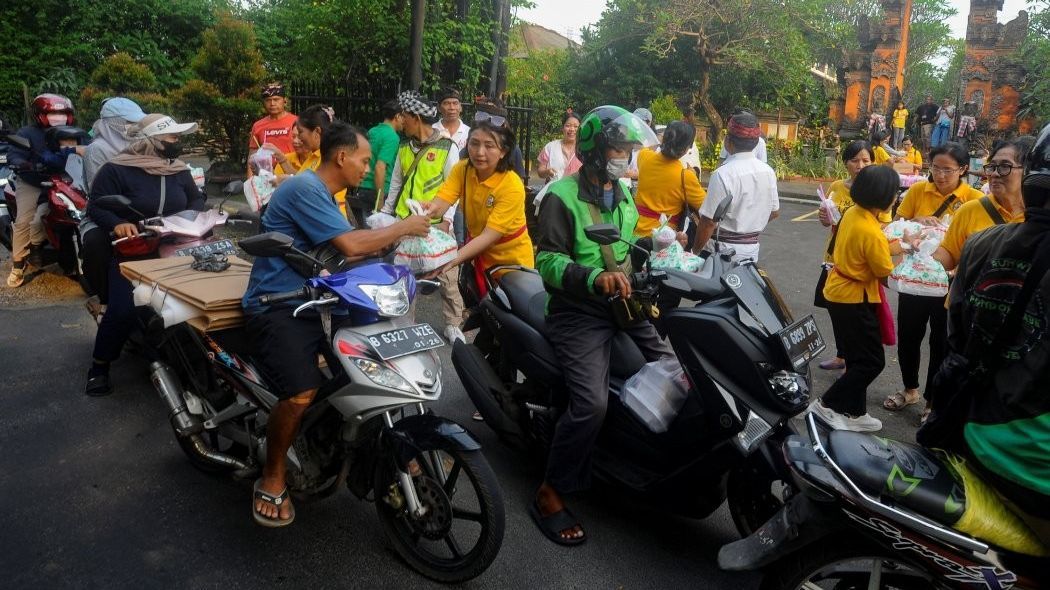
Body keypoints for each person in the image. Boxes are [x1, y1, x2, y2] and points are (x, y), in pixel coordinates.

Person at [242, 121, 430, 527]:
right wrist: (404, 226)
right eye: (364, 160)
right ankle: (273, 476)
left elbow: (345, 255)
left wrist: (397, 246)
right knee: (300, 392)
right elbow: (350, 245)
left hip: (319, 300)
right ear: (341, 156)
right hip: (278, 304)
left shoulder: (330, 196)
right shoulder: (304, 188)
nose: (367, 167)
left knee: (372, 368)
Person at [531, 106, 672, 545]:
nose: (626, 158)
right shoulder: (561, 196)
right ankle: (551, 490)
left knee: (678, 370)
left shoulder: (621, 192)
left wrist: (658, 246)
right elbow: (547, 261)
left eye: (630, 150)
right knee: (592, 403)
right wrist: (595, 278)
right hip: (579, 311)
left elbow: (624, 248)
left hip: (624, 303)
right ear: (593, 149)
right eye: (619, 148)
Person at [929, 122, 1050, 545]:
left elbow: (956, 336)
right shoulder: (972, 222)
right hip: (1033, 464)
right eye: (993, 169)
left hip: (971, 427)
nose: (996, 176)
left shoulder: (982, 245)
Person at [82, 114, 206, 396]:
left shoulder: (178, 169)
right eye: (172, 138)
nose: (177, 143)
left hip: (177, 244)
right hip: (134, 248)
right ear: (151, 141)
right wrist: (117, 223)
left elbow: (196, 198)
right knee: (123, 309)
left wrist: (193, 215)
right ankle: (99, 367)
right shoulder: (117, 169)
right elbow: (97, 207)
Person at [882, 142, 982, 413]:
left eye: (948, 170)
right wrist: (919, 221)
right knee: (909, 335)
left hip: (949, 281)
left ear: (962, 169)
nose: (940, 175)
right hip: (915, 278)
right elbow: (897, 228)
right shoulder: (917, 190)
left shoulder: (974, 199)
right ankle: (910, 389)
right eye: (936, 168)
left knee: (941, 341)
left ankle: (931, 400)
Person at [809, 165, 899, 432]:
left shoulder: (853, 213)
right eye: (895, 192)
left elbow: (874, 250)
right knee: (872, 361)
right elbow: (884, 270)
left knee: (857, 358)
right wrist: (906, 252)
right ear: (885, 196)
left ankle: (855, 413)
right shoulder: (870, 230)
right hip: (853, 298)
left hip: (839, 290)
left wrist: (903, 243)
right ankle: (826, 405)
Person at [378, 91, 465, 343]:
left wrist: (447, 218)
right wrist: (385, 215)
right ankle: (405, 323)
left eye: (404, 116)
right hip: (406, 223)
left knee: (447, 276)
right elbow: (396, 184)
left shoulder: (447, 147)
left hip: (435, 224)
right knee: (405, 275)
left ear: (415, 117)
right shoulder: (404, 146)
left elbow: (454, 187)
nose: (401, 121)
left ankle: (453, 324)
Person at [816, 141, 891, 371]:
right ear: (845, 163)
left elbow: (884, 229)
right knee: (835, 308)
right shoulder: (838, 187)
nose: (860, 165)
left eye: (866, 160)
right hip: (834, 257)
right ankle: (842, 355)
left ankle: (853, 363)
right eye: (855, 160)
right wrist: (825, 218)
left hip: (860, 263)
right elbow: (827, 218)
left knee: (854, 314)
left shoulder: (878, 191)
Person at [6, 93, 86, 288]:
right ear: (40, 114)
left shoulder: (75, 132)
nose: (58, 116)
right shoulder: (27, 133)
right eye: (52, 112)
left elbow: (91, 147)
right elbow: (14, 155)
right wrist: (22, 163)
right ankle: (18, 264)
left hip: (68, 180)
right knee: (25, 220)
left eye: (62, 112)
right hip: (34, 181)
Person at [693, 112, 779, 262]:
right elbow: (774, 211)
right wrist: (749, 225)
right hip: (751, 250)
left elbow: (709, 222)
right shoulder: (768, 172)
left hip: (721, 252)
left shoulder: (723, 174)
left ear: (728, 141)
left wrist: (695, 251)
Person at [633, 121, 706, 238]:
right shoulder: (685, 176)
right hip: (664, 239)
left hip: (636, 232)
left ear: (663, 139)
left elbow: (648, 148)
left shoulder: (644, 157)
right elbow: (706, 208)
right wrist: (694, 178)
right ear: (686, 149)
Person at [289, 105, 352, 222]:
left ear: (317, 131)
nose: (298, 139)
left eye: (301, 132)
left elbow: (313, 192)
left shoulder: (327, 159)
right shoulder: (313, 156)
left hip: (328, 223)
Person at [354, 99, 404, 221]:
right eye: (404, 117)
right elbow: (380, 167)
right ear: (397, 116)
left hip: (363, 187)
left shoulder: (372, 131)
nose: (405, 121)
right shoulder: (392, 137)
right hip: (379, 190)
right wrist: (380, 198)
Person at [83, 97, 146, 187]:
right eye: (129, 121)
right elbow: (98, 189)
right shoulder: (96, 149)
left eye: (136, 122)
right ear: (113, 121)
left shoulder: (138, 142)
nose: (134, 125)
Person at [249, 82, 298, 160]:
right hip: (266, 171)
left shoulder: (297, 122)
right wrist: (250, 172)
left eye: (276, 99)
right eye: (268, 100)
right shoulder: (257, 126)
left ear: (285, 101)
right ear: (264, 103)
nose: (272, 103)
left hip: (292, 170)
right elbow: (252, 155)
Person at [537, 111, 582, 183]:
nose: (572, 129)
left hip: (577, 192)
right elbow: (540, 171)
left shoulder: (584, 149)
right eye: (568, 125)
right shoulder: (550, 147)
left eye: (576, 126)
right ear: (562, 128)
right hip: (554, 191)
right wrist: (547, 172)